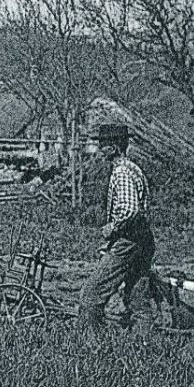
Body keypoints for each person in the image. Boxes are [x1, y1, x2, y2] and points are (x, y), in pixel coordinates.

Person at [78, 122, 165, 334]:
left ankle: (91, 345)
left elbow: (129, 210)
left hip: (128, 242)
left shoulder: (122, 172)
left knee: (91, 295)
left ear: (114, 147)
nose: (100, 149)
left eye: (103, 145)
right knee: (137, 299)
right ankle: (142, 344)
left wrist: (112, 228)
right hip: (142, 241)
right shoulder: (133, 169)